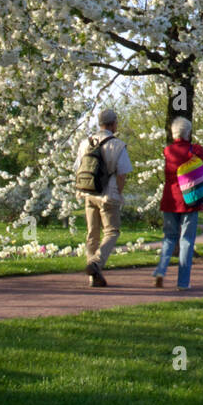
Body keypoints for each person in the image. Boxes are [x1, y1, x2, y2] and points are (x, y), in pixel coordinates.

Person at [154, 117, 203, 291]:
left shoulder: (168, 151)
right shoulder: (195, 150)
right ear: (188, 133)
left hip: (170, 200)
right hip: (189, 201)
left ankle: (160, 271)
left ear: (174, 134)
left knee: (169, 238)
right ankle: (182, 282)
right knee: (187, 241)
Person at [74, 108, 132, 288]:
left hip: (88, 192)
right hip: (108, 195)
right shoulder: (117, 145)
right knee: (112, 232)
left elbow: (78, 167)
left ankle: (93, 278)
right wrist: (119, 193)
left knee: (92, 234)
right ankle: (96, 263)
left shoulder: (86, 143)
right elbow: (122, 173)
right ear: (113, 123)